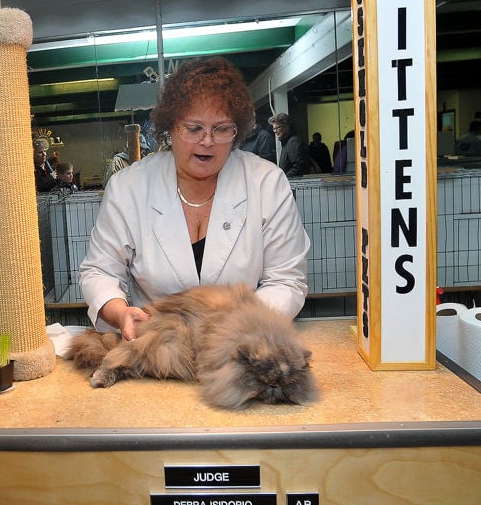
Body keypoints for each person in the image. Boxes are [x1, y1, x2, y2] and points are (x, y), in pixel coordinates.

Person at [80, 57, 310, 341]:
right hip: (156, 346)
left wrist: (236, 325)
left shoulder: (266, 183)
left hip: (240, 344)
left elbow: (287, 281)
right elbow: (99, 271)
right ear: (171, 127)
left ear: (236, 130)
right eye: (194, 128)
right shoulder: (129, 187)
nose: (208, 141)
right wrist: (119, 312)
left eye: (222, 128)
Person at [269, 112, 315, 177]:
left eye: (278, 127)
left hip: (294, 184)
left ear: (287, 126)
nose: (275, 131)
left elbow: (299, 166)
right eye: (274, 128)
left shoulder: (293, 141)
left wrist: (284, 179)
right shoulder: (287, 142)